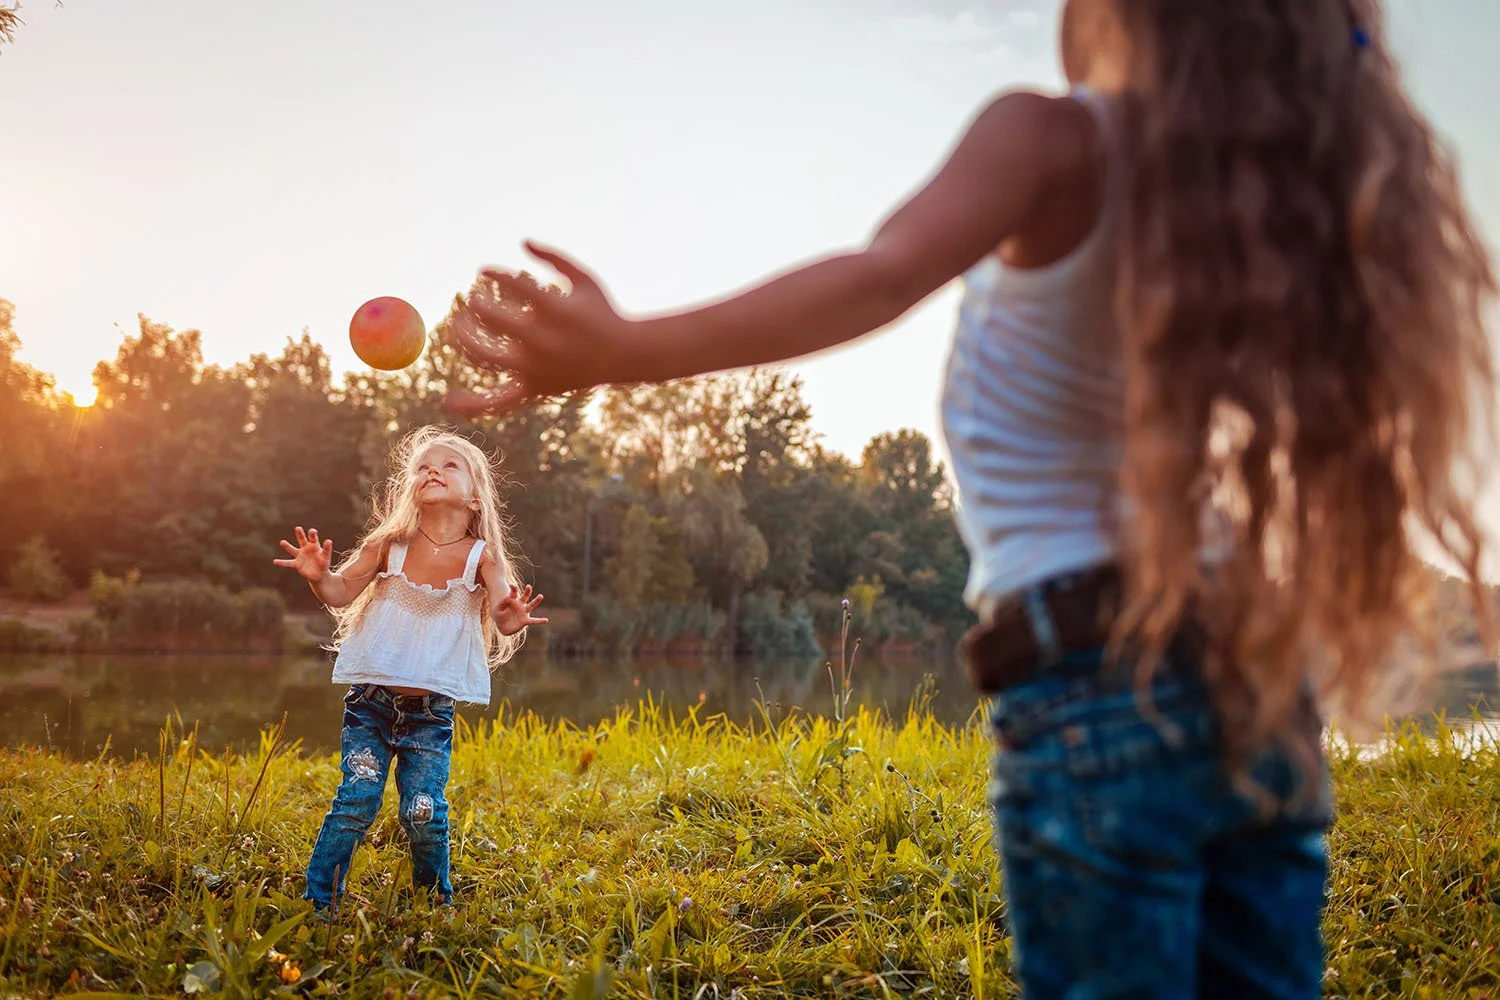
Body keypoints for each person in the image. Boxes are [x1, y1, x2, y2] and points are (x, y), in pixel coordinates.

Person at [442, 0, 1496, 995]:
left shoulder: (1048, 140)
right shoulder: (1278, 204)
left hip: (1093, 686)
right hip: (1265, 696)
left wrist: (627, 351)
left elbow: (877, 274)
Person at [274, 426, 547, 912]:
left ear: (476, 496)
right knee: (356, 801)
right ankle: (320, 904)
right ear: (410, 486)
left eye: (448, 465)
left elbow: (505, 613)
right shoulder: (390, 543)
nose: (431, 472)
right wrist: (319, 577)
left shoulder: (482, 557)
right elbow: (340, 593)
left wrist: (510, 616)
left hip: (429, 713)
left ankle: (432, 902)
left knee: (422, 812)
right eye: (422, 467)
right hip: (370, 706)